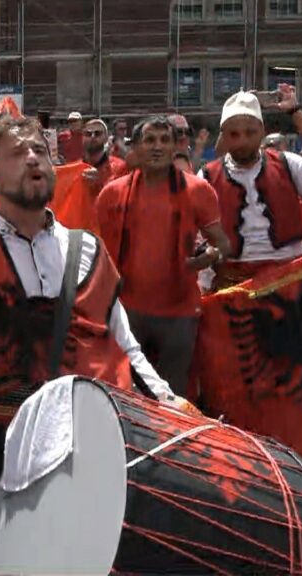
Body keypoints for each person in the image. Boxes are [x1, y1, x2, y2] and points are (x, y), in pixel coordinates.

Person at [0, 116, 182, 513]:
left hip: (92, 433)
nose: (33, 159)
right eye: (18, 153)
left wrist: (167, 401)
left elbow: (123, 343)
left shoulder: (86, 247)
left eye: (40, 151)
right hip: (8, 436)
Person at [96, 116, 231, 395]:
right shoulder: (111, 195)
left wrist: (209, 256)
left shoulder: (198, 190)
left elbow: (223, 245)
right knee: (126, 392)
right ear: (135, 148)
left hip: (179, 313)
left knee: (173, 395)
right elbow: (101, 255)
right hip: (126, 313)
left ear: (175, 148)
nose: (157, 147)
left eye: (164, 140)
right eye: (149, 140)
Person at [199, 91, 302, 289]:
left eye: (250, 132)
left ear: (262, 131)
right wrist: (202, 285)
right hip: (234, 287)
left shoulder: (289, 163)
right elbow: (197, 235)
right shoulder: (206, 176)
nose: (242, 141)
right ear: (223, 135)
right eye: (234, 134)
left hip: (291, 279)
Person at [81, 118, 127, 195]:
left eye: (97, 133)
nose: (92, 136)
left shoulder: (120, 167)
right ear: (82, 138)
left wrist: (99, 185)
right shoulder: (76, 169)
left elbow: (122, 196)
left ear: (106, 138)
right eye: (88, 134)